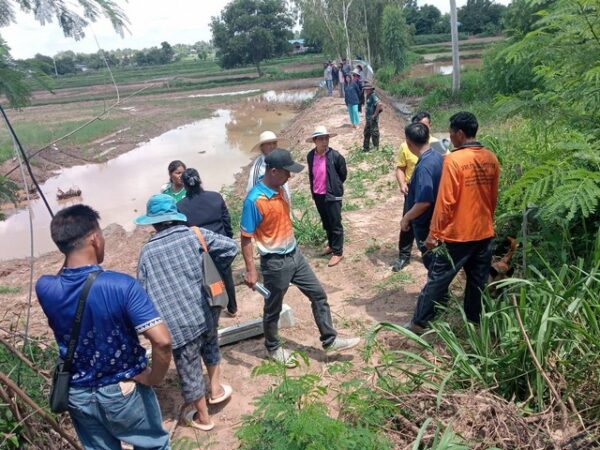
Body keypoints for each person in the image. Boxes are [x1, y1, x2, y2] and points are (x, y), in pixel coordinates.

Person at [36, 204, 172, 450]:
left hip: (78, 394)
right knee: (153, 446)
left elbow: (64, 276)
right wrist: (153, 377)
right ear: (95, 239)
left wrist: (68, 251)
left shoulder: (44, 287)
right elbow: (162, 341)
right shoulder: (122, 286)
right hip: (122, 390)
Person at [240, 149, 359, 367]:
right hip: (275, 264)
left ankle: (330, 340)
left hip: (296, 256)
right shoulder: (254, 200)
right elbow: (246, 237)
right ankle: (273, 348)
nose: (290, 176)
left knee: (318, 294)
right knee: (273, 308)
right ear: (274, 171)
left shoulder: (280, 189)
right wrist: (250, 270)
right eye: (287, 172)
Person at [136, 194, 238, 431]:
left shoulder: (147, 252)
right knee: (211, 346)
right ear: (176, 216)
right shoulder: (194, 235)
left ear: (154, 223)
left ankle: (203, 417)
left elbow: (142, 291)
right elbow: (230, 248)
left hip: (176, 323)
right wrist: (214, 266)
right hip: (205, 309)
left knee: (189, 368)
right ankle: (215, 390)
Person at [405, 112, 500, 333]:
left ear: (460, 134)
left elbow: (445, 202)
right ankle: (474, 324)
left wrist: (433, 234)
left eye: (451, 134)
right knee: (477, 282)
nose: (450, 138)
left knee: (438, 280)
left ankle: (419, 322)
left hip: (458, 235)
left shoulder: (454, 160)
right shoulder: (491, 158)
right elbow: (492, 198)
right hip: (484, 232)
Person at [177, 168, 238, 317]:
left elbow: (183, 232)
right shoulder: (215, 197)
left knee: (208, 279)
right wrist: (228, 239)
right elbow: (226, 221)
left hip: (200, 249)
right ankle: (232, 307)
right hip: (221, 244)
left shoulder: (180, 206)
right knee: (226, 276)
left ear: (184, 185)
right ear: (200, 180)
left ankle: (216, 307)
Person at [393, 112, 442, 272]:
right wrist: (403, 184)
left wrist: (406, 217)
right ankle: (404, 256)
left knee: (430, 256)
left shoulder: (430, 158)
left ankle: (436, 284)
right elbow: (400, 168)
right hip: (415, 193)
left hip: (423, 206)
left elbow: (424, 202)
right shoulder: (434, 154)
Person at [306, 126, 347, 267]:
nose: (324, 141)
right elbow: (312, 175)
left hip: (332, 195)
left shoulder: (336, 156)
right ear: (315, 141)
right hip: (318, 194)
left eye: (326, 138)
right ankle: (331, 245)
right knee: (326, 222)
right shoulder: (310, 156)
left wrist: (334, 186)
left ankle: (338, 252)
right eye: (321, 139)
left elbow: (342, 175)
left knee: (335, 223)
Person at [247, 130, 291, 204]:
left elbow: (285, 186)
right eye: (268, 144)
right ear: (262, 147)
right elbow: (252, 191)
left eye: (274, 143)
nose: (272, 146)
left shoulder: (280, 161)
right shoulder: (258, 167)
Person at [362, 82, 383, 152]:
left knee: (374, 133)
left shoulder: (373, 96)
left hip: (372, 119)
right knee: (366, 133)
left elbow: (379, 104)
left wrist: (374, 115)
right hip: (368, 119)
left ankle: (376, 149)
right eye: (365, 89)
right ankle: (366, 148)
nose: (366, 91)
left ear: (371, 89)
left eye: (367, 89)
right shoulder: (368, 96)